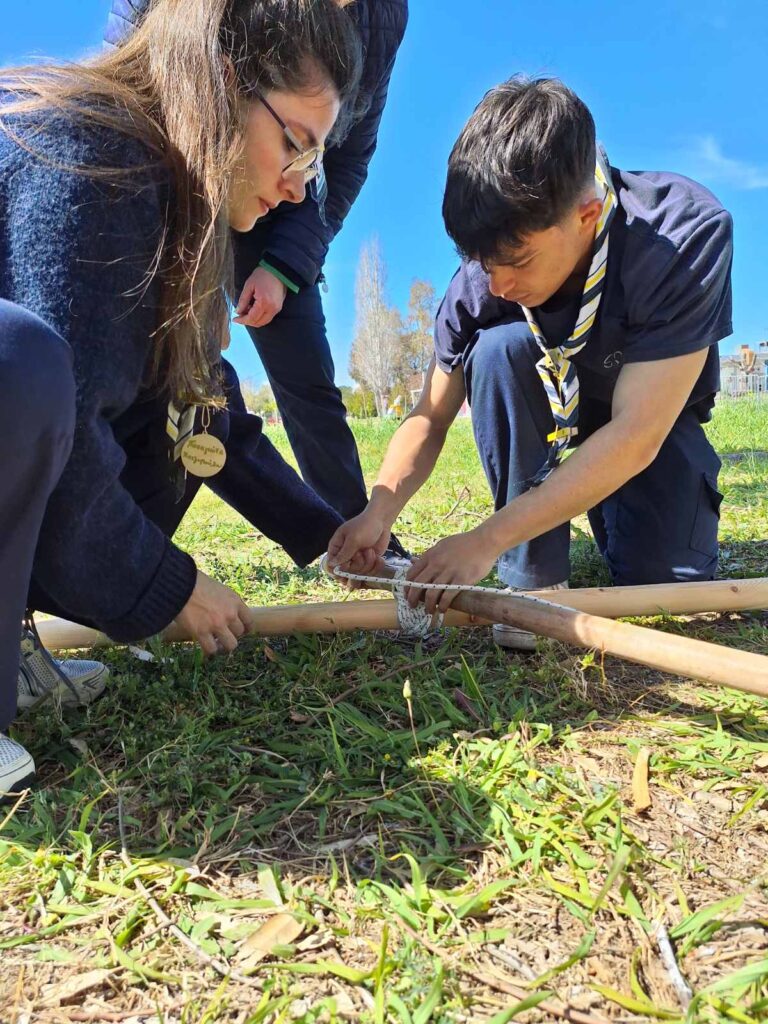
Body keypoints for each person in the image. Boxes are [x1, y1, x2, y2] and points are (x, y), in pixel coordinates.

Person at [0, 0, 363, 795]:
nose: (300, 190)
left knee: (183, 378)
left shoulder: (173, 212)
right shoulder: (89, 157)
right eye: (294, 147)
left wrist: (331, 537)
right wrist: (165, 585)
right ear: (223, 81)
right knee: (19, 362)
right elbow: (59, 444)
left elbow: (202, 407)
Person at [328, 76, 732, 649]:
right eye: (481, 261)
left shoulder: (683, 237)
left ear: (587, 216)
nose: (497, 282)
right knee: (495, 348)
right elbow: (429, 416)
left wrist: (483, 539)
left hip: (650, 432)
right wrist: (379, 511)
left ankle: (612, 522)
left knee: (666, 588)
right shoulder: (484, 275)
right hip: (545, 421)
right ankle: (535, 573)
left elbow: (638, 433)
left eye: (516, 260)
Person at [106, 0, 409, 524]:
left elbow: (344, 159)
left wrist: (284, 267)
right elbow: (127, 85)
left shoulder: (384, 17)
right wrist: (189, 258)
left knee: (304, 373)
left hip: (278, 186)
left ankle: (344, 527)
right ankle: (118, 537)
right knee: (167, 364)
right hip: (175, 164)